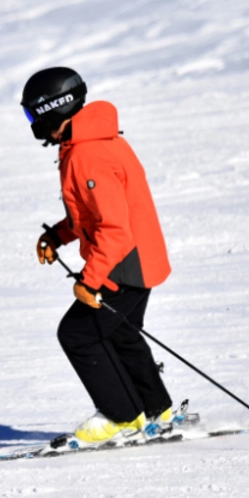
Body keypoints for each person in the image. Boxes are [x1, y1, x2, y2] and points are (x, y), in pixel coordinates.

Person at [21, 67, 175, 449]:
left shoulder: (86, 153)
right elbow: (92, 216)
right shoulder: (89, 142)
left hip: (124, 263)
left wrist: (89, 280)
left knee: (77, 334)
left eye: (32, 116)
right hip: (139, 258)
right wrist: (59, 235)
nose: (33, 126)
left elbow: (113, 229)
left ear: (52, 110)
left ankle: (121, 416)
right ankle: (157, 411)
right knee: (119, 333)